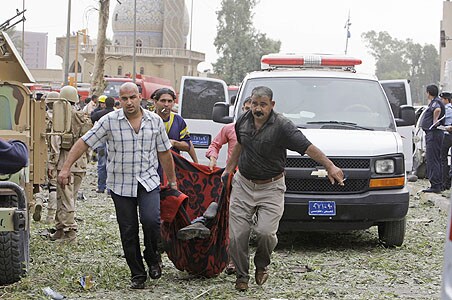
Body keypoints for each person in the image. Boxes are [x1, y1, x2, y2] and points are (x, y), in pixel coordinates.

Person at [57, 82, 178, 289]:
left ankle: (152, 256)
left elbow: (164, 152)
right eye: (124, 98)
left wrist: (173, 182)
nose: (129, 102)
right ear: (119, 100)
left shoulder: (154, 121)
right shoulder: (109, 121)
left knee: (151, 221)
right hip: (121, 185)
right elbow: (85, 142)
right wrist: (66, 167)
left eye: (132, 97)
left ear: (140, 97)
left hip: (148, 182)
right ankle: (137, 274)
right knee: (128, 230)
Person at [223, 86, 344, 291]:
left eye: (263, 104)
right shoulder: (243, 121)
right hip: (243, 184)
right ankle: (242, 276)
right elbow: (240, 145)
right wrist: (228, 170)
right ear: (249, 103)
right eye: (254, 103)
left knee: (265, 233)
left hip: (271, 187)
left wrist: (330, 165)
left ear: (272, 105)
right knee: (237, 236)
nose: (258, 109)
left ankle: (262, 265)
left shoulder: (282, 126)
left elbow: (308, 147)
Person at [153, 88, 198, 163]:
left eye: (169, 101)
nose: (166, 105)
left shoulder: (178, 120)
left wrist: (174, 143)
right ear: (155, 102)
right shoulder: (148, 120)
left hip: (173, 166)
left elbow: (188, 145)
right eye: (163, 101)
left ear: (174, 103)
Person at [206, 97, 252, 171]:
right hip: (232, 174)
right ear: (243, 109)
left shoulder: (266, 131)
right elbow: (214, 145)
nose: (248, 113)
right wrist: (213, 159)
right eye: (247, 108)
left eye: (251, 110)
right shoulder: (230, 128)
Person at [421, 84, 446, 193]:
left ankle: (435, 185)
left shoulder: (435, 102)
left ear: (428, 92)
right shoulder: (436, 101)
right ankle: (437, 184)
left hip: (434, 134)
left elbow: (437, 110)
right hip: (434, 134)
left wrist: (434, 121)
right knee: (435, 159)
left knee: (432, 159)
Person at [90, 97, 115, 193]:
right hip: (114, 142)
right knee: (112, 164)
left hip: (101, 142)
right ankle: (110, 189)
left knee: (101, 164)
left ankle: (101, 187)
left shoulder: (99, 114)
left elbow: (92, 119)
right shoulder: (117, 113)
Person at [440, 92, 452, 191]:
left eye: (442, 99)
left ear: (446, 100)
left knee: (442, 159)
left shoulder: (445, 109)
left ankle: (445, 183)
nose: (441, 101)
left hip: (446, 135)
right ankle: (449, 182)